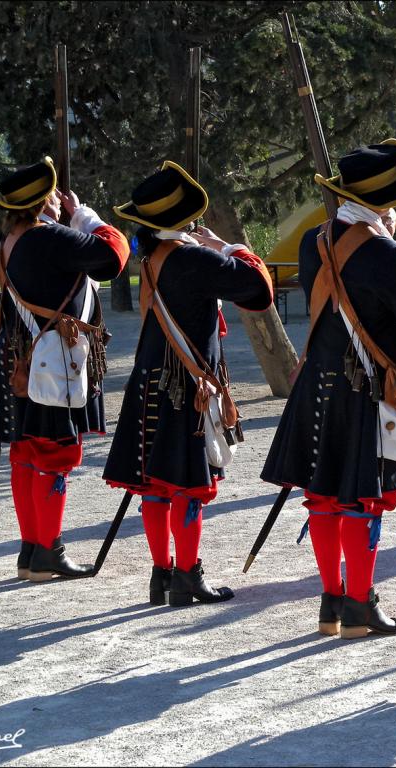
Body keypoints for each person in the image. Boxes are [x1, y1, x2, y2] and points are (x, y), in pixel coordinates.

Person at [262, 139, 396, 638]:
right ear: (386, 203)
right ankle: (360, 605)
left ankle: (330, 603)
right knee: (364, 503)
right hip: (365, 389)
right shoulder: (389, 254)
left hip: (318, 384)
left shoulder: (312, 241)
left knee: (322, 498)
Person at [103, 160, 273, 606]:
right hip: (186, 385)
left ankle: (162, 575)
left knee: (156, 485)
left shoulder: (153, 257)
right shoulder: (195, 257)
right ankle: (187, 574)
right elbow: (259, 288)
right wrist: (228, 246)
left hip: (151, 379)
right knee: (191, 485)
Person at [0, 157, 129, 580]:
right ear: (42, 201)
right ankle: (49, 549)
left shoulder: (9, 240)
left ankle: (31, 550)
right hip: (50, 360)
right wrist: (83, 216)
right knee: (54, 453)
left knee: (26, 452)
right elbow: (114, 254)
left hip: (16, 356)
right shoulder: (50, 238)